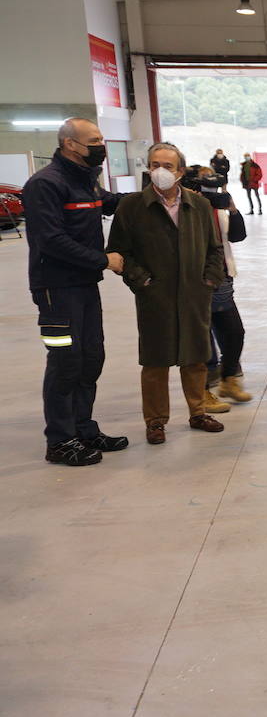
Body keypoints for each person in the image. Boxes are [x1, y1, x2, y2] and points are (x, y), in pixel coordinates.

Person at [23, 117, 127, 466]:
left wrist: (163, 193)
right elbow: (50, 241)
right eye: (94, 140)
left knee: (91, 358)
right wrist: (103, 259)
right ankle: (60, 440)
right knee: (65, 362)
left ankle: (83, 428)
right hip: (55, 288)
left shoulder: (86, 182)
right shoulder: (45, 184)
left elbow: (114, 203)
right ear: (70, 144)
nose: (101, 146)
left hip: (83, 286)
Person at [107, 143, 226, 445]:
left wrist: (209, 281)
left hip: (194, 294)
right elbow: (119, 251)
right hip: (154, 295)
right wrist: (142, 281)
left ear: (181, 171)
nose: (160, 170)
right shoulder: (132, 206)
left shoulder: (198, 206)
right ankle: (156, 421)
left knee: (196, 356)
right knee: (155, 361)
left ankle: (198, 412)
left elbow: (215, 248)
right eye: (154, 164)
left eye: (168, 166)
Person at [203, 185, 253, 406]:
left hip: (223, 277)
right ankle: (202, 391)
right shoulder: (186, 208)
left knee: (234, 332)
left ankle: (228, 380)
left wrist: (232, 209)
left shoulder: (221, 209)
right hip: (196, 279)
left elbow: (238, 235)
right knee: (201, 337)